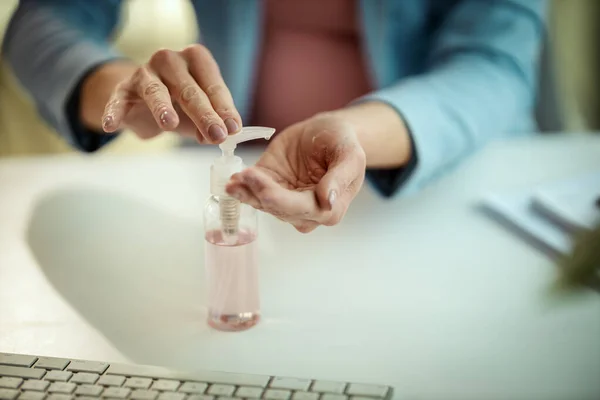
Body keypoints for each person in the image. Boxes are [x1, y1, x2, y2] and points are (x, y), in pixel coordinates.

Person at [2, 0, 547, 233]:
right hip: (229, 185)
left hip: (448, 185)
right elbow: (43, 20)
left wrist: (354, 133)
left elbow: (493, 65)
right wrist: (118, 90)